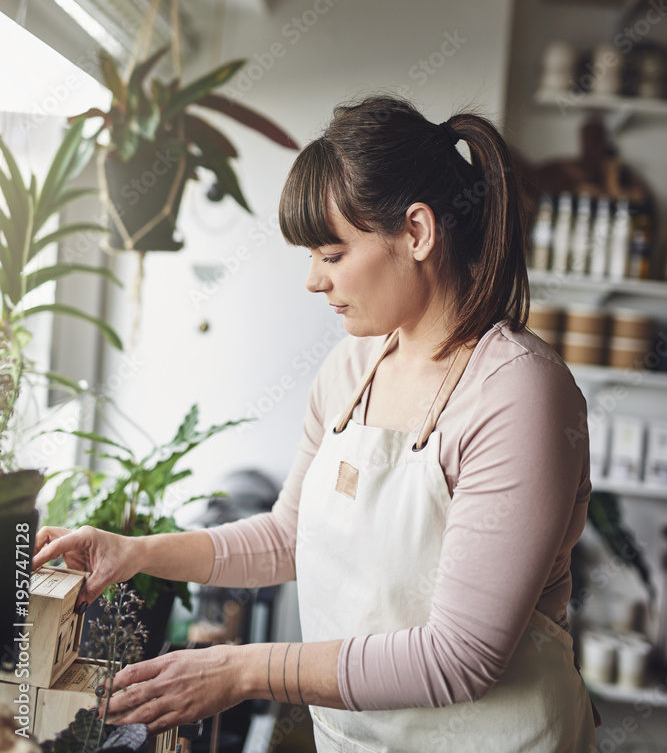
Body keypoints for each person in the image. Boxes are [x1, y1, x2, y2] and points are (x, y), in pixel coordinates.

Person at [33, 97, 599, 751]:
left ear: (416, 232)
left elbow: (461, 656)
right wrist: (137, 554)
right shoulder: (351, 366)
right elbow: (288, 535)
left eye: (330, 254)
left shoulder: (516, 392)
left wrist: (243, 668)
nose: (312, 280)